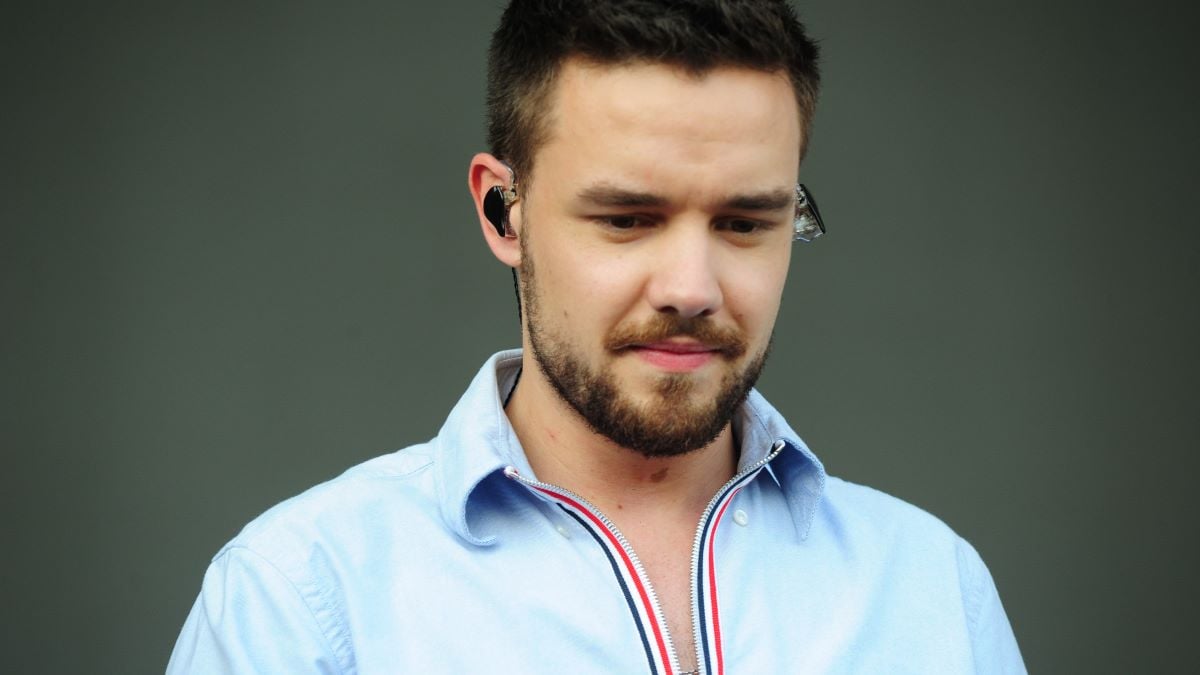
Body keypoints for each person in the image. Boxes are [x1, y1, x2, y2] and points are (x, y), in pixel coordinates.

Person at [168, 1, 1025, 673]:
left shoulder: (933, 588)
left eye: (744, 222)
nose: (692, 289)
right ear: (503, 211)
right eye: (627, 218)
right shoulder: (301, 603)